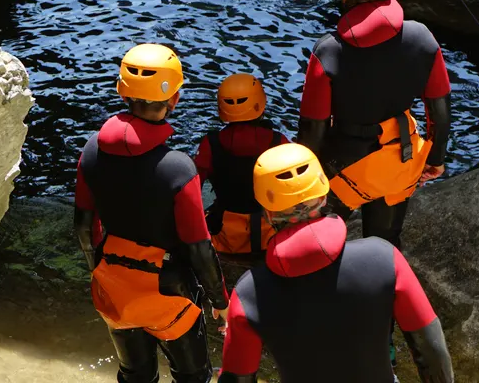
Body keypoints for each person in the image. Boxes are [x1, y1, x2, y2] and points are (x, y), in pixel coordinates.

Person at [217, 143, 454, 383]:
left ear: (267, 213)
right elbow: (432, 351)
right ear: (323, 194)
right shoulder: (382, 258)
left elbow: (237, 379)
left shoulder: (249, 294)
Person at [74, 43, 229, 383]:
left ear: (121, 91)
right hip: (169, 291)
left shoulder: (90, 150)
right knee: (193, 377)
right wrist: (221, 300)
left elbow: (85, 228)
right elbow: (198, 247)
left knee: (135, 375)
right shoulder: (177, 169)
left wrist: (100, 273)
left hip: (114, 285)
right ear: (174, 99)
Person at [298, 0, 451, 251]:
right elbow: (439, 111)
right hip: (399, 156)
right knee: (384, 245)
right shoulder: (422, 38)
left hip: (342, 165)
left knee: (321, 247)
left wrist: (305, 182)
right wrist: (434, 160)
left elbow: (312, 129)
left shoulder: (328, 52)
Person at [195, 74, 289, 256]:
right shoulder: (278, 141)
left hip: (224, 237)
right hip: (268, 235)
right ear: (261, 103)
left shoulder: (211, 143)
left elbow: (192, 188)